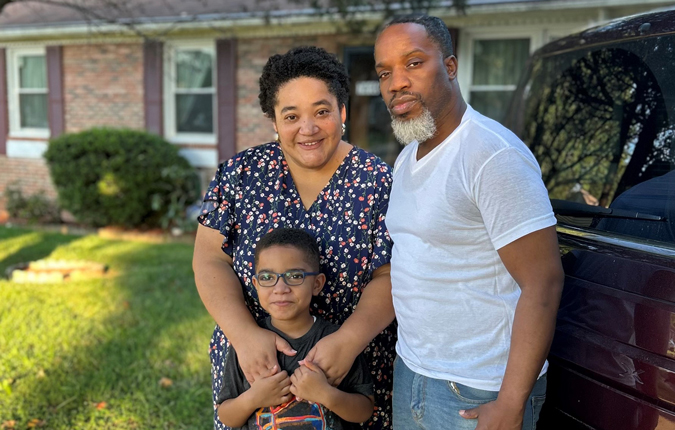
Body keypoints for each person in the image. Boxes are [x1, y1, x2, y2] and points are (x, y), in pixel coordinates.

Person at [373, 14, 565, 430]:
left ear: (450, 66)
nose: (396, 83)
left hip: (479, 389)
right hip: (413, 372)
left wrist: (511, 403)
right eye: (384, 72)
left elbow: (544, 282)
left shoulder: (491, 155)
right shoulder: (408, 156)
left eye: (413, 63)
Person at [193, 46, 396, 430]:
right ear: (273, 120)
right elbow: (210, 259)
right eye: (291, 116)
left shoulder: (378, 180)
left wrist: (348, 341)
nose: (308, 128)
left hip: (348, 373)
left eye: (321, 111)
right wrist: (244, 336)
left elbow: (391, 273)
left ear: (342, 112)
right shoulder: (239, 174)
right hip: (256, 371)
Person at [217, 228, 375, 429]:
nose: (280, 288)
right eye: (267, 277)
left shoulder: (337, 341)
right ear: (255, 284)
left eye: (294, 275)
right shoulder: (249, 343)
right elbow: (226, 416)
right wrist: (254, 398)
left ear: (317, 284)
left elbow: (364, 410)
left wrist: (327, 395)